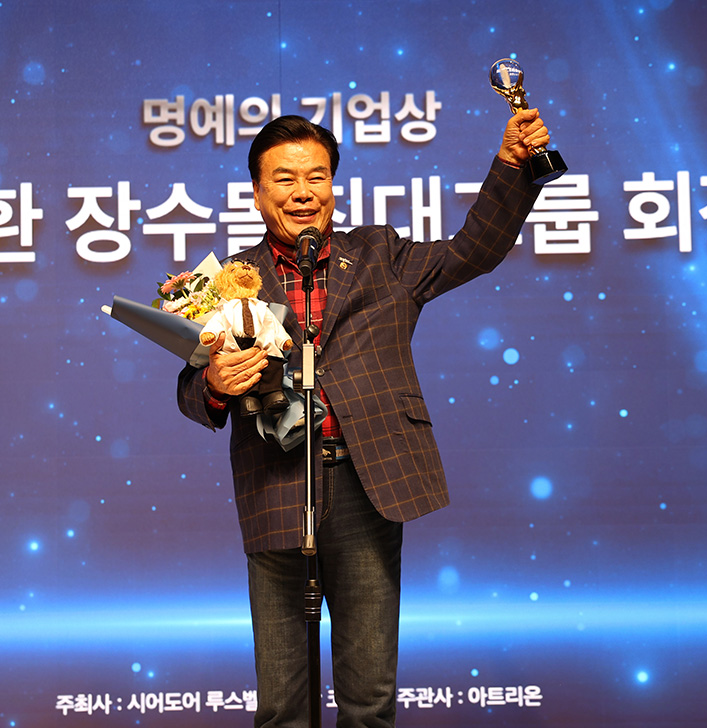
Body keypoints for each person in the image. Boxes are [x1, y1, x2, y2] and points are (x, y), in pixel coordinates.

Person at [177, 109, 550, 727]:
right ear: (257, 193)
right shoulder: (226, 283)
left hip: (368, 483)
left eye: (317, 177)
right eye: (285, 179)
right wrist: (215, 384)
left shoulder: (380, 255)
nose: (303, 192)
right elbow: (191, 389)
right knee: (282, 707)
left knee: (369, 701)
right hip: (276, 486)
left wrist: (513, 166)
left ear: (333, 185)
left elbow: (476, 249)